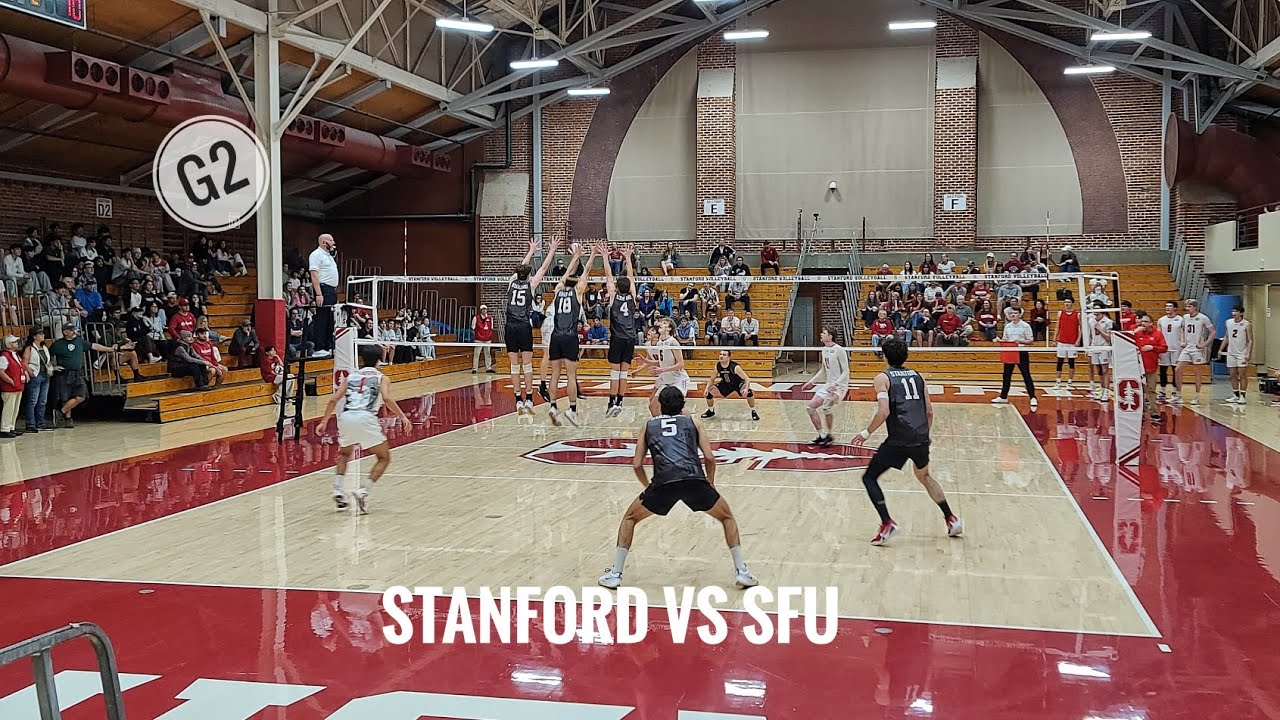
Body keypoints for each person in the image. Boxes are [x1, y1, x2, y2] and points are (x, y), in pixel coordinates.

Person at [598, 385, 758, 590]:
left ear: (660, 405)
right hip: (694, 480)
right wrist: (710, 482)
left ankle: (616, 574)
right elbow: (709, 458)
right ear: (682, 404)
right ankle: (741, 572)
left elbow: (637, 464)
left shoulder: (647, 425)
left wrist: (648, 486)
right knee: (727, 518)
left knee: (629, 519)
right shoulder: (694, 421)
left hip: (663, 482)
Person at [849, 338, 962, 545]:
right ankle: (950, 518)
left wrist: (866, 433)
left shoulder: (882, 378)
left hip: (899, 438)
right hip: (920, 436)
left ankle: (887, 522)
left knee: (869, 478)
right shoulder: (918, 376)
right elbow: (928, 410)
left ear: (884, 356)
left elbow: (884, 411)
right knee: (924, 476)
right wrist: (925, 434)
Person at [315, 344, 413, 514]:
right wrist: (403, 416)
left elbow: (333, 400)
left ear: (361, 359)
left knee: (344, 454)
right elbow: (387, 398)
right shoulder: (382, 377)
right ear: (380, 359)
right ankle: (363, 491)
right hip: (366, 416)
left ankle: (338, 490)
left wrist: (324, 421)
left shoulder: (351, 376)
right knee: (384, 458)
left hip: (346, 416)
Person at [507, 239, 560, 414]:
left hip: (510, 327)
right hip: (523, 327)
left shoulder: (512, 281)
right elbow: (544, 269)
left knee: (514, 366)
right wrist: (551, 250)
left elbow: (521, 267)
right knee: (527, 365)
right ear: (528, 276)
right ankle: (529, 398)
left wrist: (530, 251)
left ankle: (517, 399)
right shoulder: (530, 285)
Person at [546, 244, 595, 427]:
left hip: (555, 336)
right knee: (571, 376)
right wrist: (592, 254)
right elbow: (587, 271)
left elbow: (566, 274)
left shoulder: (558, 289)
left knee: (555, 374)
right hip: (570, 337)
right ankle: (572, 410)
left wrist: (575, 256)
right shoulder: (578, 291)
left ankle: (552, 406)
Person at [598, 242, 639, 418]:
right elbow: (631, 276)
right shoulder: (633, 296)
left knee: (614, 374)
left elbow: (608, 275)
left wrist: (605, 257)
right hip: (630, 338)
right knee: (624, 373)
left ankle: (611, 402)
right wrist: (628, 258)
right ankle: (620, 402)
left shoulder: (613, 296)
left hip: (617, 338)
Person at [803, 327, 849, 447]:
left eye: (823, 333)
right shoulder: (824, 350)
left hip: (839, 386)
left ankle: (829, 435)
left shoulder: (839, 350)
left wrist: (836, 384)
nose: (821, 334)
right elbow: (823, 370)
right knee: (810, 408)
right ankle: (822, 435)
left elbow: (846, 371)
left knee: (826, 408)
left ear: (830, 336)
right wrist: (811, 381)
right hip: (828, 385)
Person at [634, 319, 689, 418]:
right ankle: (661, 426)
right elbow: (661, 362)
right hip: (666, 380)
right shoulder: (659, 343)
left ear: (669, 328)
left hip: (678, 379)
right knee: (653, 406)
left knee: (678, 407)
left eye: (664, 323)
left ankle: (689, 426)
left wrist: (662, 370)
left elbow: (681, 364)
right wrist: (645, 361)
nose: (661, 324)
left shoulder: (673, 342)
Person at [992, 306, 1037, 409]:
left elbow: (1031, 341)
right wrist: (999, 340)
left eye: (1015, 313)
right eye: (1011, 313)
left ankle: (1032, 397)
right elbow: (1005, 339)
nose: (1013, 315)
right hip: (1010, 352)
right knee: (1006, 375)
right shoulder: (1007, 326)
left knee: (1026, 375)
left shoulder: (1025, 326)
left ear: (1020, 314)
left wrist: (1020, 341)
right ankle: (1003, 397)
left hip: (1021, 352)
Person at [1175, 299, 1214, 406]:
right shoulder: (1185, 317)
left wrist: (1204, 344)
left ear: (1195, 307)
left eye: (1189, 306)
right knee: (1178, 369)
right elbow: (1182, 329)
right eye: (1186, 307)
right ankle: (1178, 395)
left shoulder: (1203, 317)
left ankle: (1197, 396)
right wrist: (1182, 340)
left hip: (1197, 349)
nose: (1187, 309)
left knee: (1197, 372)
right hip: (1187, 348)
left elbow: (1212, 332)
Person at [701, 350, 759, 421]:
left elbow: (747, 379)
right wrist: (706, 389)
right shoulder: (718, 365)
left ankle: (753, 411)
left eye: (724, 355)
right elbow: (712, 379)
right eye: (720, 354)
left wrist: (746, 389)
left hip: (737, 383)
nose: (721, 356)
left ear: (729, 357)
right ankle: (711, 411)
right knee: (709, 393)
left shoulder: (734, 366)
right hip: (725, 384)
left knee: (749, 393)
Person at [1133, 312, 1168, 423]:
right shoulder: (1135, 332)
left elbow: (1164, 348)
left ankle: (1153, 412)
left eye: (1146, 322)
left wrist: (1152, 347)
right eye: (1142, 321)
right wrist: (1133, 333)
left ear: (1151, 323)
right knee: (1139, 390)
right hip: (1137, 367)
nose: (1143, 323)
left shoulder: (1157, 334)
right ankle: (1141, 412)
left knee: (1151, 390)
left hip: (1151, 367)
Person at [308, 233, 338, 356]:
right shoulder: (316, 255)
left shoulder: (328, 256)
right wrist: (319, 294)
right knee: (322, 318)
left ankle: (328, 346)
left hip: (331, 290)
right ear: (324, 242)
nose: (333, 243)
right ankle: (319, 347)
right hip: (323, 289)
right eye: (331, 240)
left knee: (330, 319)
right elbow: (314, 274)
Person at [1220, 304, 1253, 405]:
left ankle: (1243, 396)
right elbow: (1226, 337)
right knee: (1232, 374)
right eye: (1233, 311)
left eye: (1236, 311)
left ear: (1241, 313)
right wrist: (1220, 349)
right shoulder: (1228, 322)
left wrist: (1248, 353)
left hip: (1242, 353)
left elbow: (1250, 340)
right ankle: (1235, 394)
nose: (1234, 313)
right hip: (1231, 352)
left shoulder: (1246, 324)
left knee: (1242, 374)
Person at [22, 327, 52, 432]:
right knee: (32, 400)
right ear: (34, 336)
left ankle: (41, 422)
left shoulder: (44, 347)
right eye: (40, 334)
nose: (43, 335)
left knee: (43, 401)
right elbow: (24, 363)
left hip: (45, 375)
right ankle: (30, 423)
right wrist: (31, 373)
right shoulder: (29, 348)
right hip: (36, 374)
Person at [1086, 303, 1114, 402]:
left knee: (1105, 370)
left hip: (1104, 347)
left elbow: (1108, 337)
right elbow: (1090, 335)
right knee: (1099, 370)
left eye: (1098, 309)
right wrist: (1088, 348)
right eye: (1094, 309)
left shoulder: (1108, 322)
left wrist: (1100, 329)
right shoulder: (1090, 321)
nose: (1096, 311)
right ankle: (1102, 390)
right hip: (1094, 347)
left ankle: (1106, 392)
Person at [1157, 301, 1184, 402]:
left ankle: (1175, 392)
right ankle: (1162, 390)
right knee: (1163, 370)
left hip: (1176, 347)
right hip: (1164, 348)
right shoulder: (1161, 320)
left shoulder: (1181, 320)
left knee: (1175, 370)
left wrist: (1182, 342)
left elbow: (1183, 332)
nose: (1167, 308)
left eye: (1170, 306)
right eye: (1166, 306)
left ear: (1175, 308)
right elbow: (1158, 333)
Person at [0, 335, 26, 438]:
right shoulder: (4, 356)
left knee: (15, 408)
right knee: (8, 408)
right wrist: (10, 380)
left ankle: (11, 427)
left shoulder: (15, 355)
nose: (17, 343)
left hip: (18, 386)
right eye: (14, 342)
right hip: (10, 387)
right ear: (9, 344)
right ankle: (5, 428)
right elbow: (1, 372)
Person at [1054, 297, 1081, 390]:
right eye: (1065, 302)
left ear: (1072, 303)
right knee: (1059, 362)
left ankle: (1070, 382)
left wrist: (1078, 339)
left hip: (1072, 342)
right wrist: (1054, 339)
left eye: (1068, 302)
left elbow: (1080, 328)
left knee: (1071, 362)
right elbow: (1057, 327)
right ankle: (1058, 381)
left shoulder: (1077, 314)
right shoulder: (1060, 313)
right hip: (1061, 341)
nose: (1067, 304)